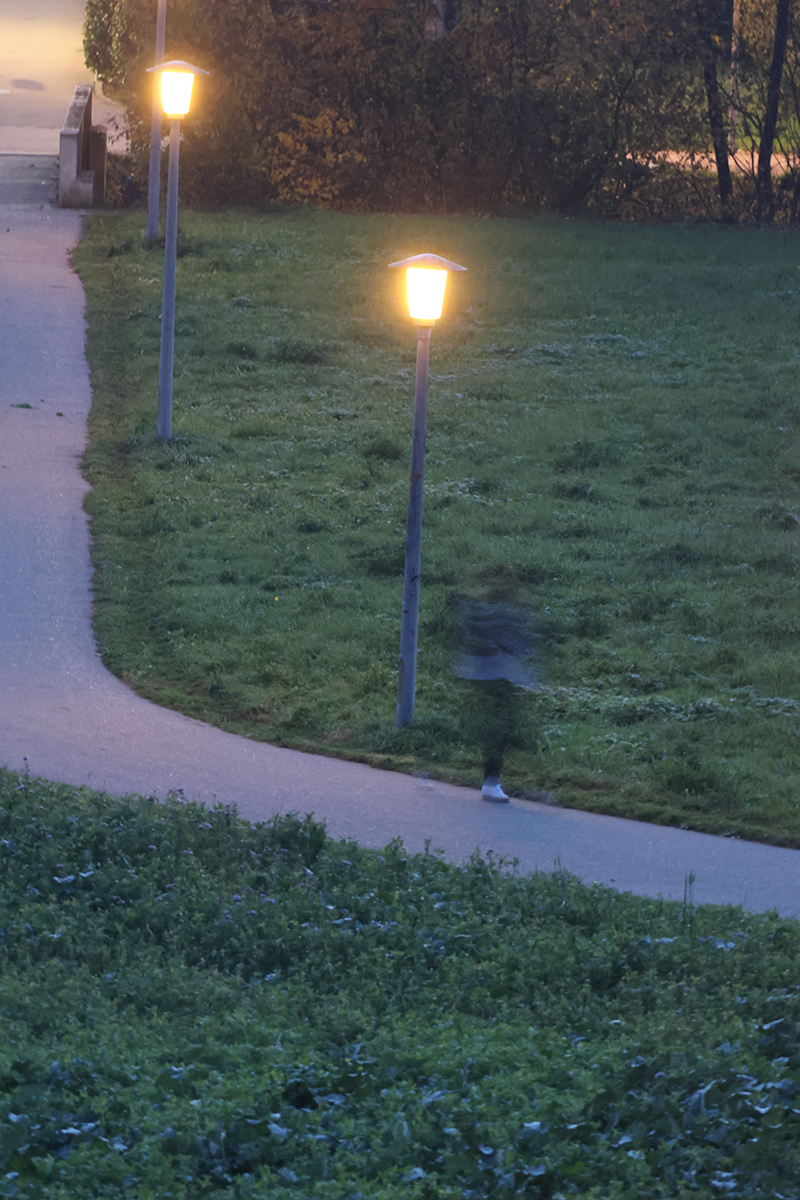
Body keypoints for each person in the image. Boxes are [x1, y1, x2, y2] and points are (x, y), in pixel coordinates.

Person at [452, 599, 538, 802]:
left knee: (497, 727)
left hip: (499, 677)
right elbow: (472, 640)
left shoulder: (499, 609)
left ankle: (491, 780)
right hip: (488, 678)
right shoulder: (487, 609)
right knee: (495, 728)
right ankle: (490, 781)